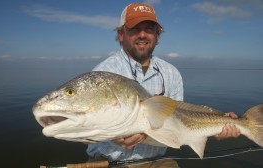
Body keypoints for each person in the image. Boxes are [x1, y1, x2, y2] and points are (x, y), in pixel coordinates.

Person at [87, 2, 241, 164]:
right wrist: (112, 137)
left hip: (157, 161)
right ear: (121, 34)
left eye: (149, 29)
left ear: (157, 35)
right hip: (108, 161)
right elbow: (83, 127)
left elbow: (182, 120)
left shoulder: (171, 73)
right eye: (134, 29)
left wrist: (219, 124)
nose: (142, 35)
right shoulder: (101, 76)